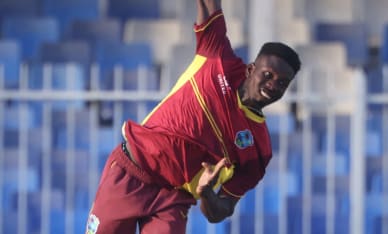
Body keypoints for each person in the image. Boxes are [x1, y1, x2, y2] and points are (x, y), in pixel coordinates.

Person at [85, 0, 301, 233]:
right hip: (131, 170)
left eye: (282, 83)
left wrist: (207, 193)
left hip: (173, 198)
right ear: (251, 70)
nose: (273, 85)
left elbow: (220, 211)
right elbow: (209, 6)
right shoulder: (218, 57)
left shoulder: (260, 150)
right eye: (267, 75)